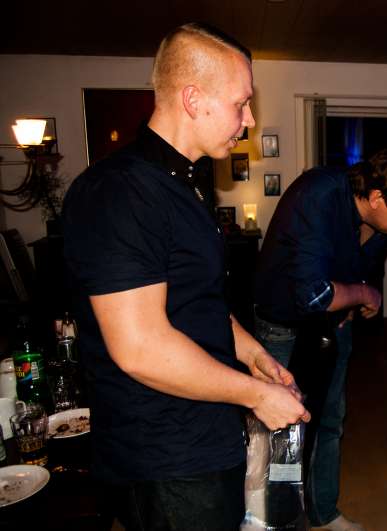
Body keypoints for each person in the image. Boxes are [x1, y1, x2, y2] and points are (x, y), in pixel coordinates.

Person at [62, 23, 309, 531]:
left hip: (204, 431)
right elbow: (140, 348)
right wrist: (256, 395)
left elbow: (198, 301)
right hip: (163, 455)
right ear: (193, 99)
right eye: (241, 103)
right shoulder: (121, 191)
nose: (250, 119)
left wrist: (255, 357)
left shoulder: (186, 184)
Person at [253, 149, 387, 530]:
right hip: (281, 324)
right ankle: (273, 520)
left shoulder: (382, 224)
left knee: (330, 419)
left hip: (332, 325)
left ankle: (323, 512)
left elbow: (353, 273)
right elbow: (314, 294)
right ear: (378, 197)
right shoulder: (319, 195)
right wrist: (364, 294)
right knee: (279, 430)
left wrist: (351, 299)